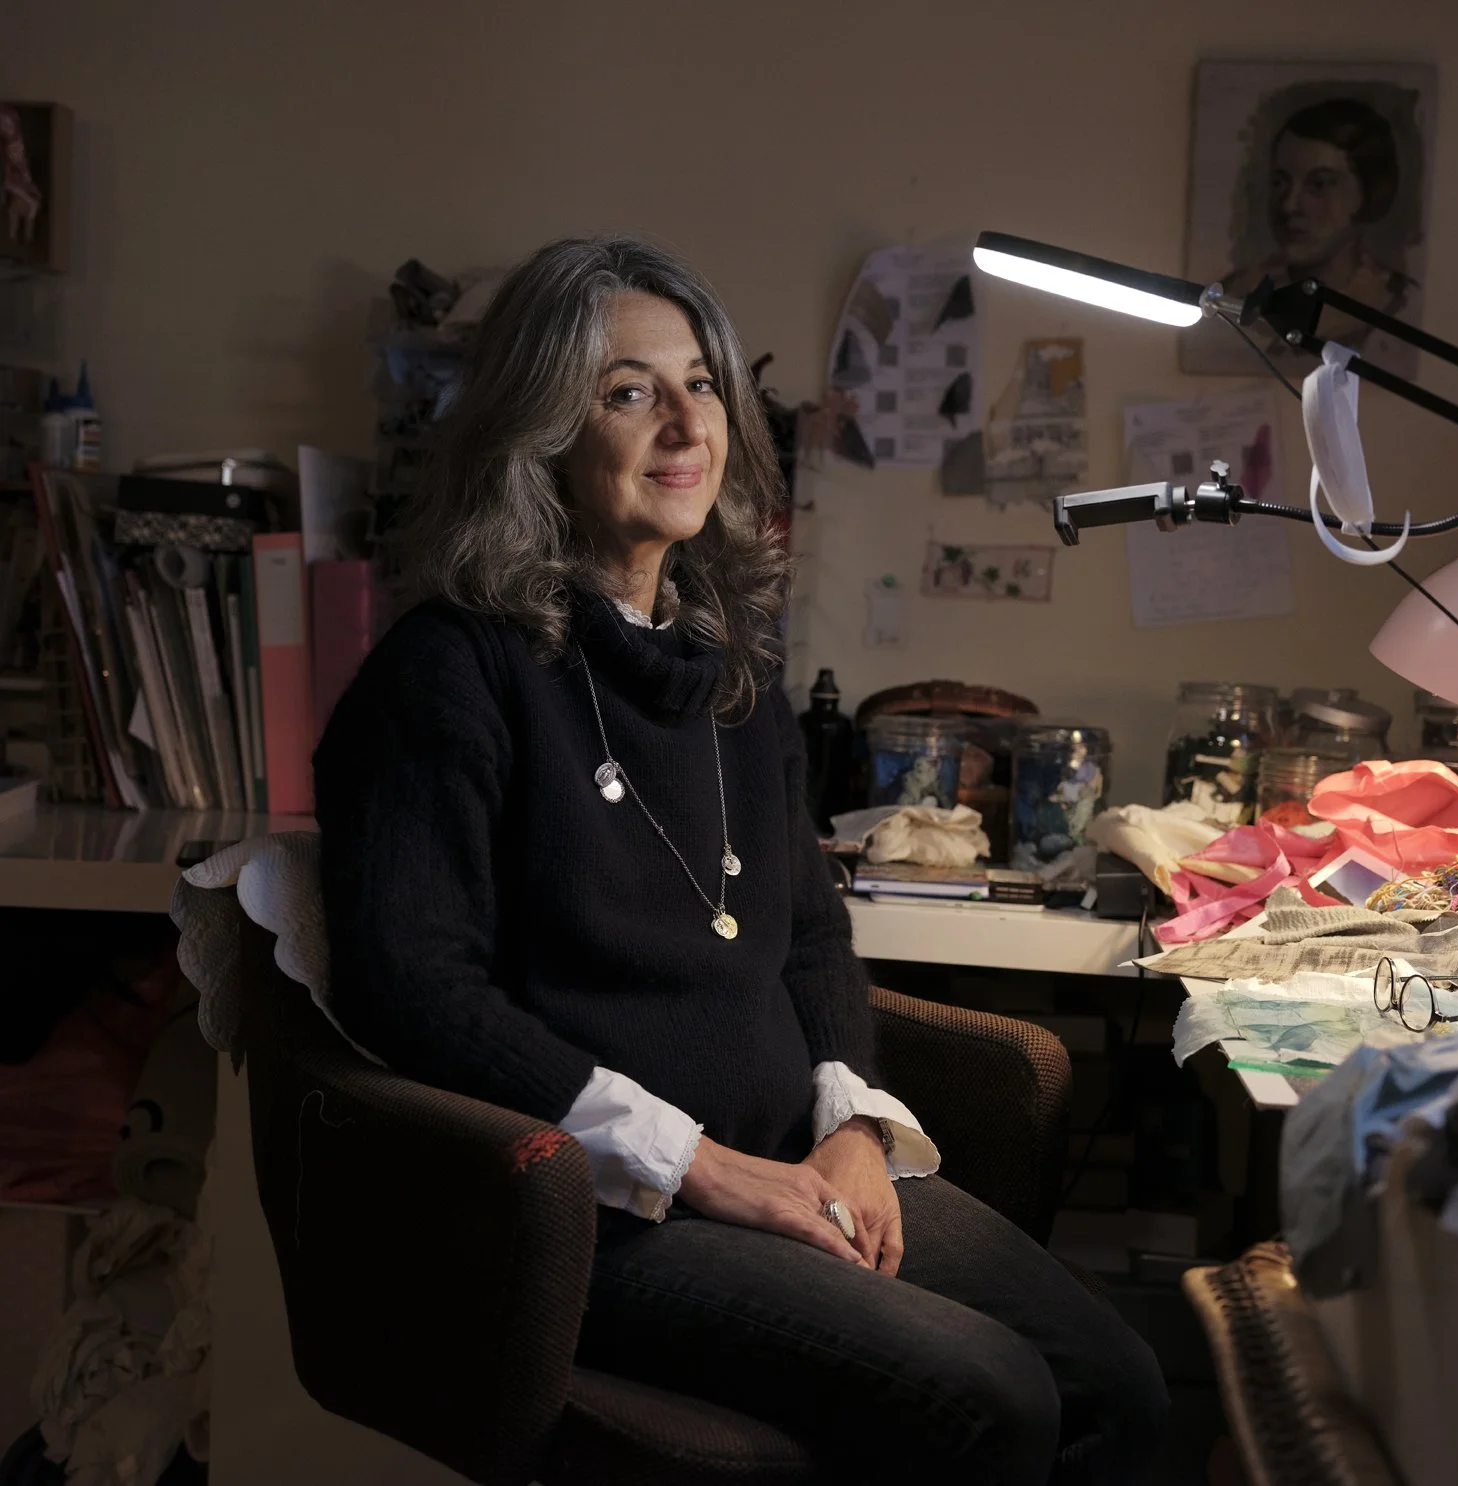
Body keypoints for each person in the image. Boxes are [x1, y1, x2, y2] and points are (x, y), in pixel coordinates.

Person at [314, 235, 1167, 1484]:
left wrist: (855, 1133)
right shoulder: (448, 673)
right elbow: (417, 990)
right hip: (602, 1215)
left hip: (792, 1160)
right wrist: (707, 1170)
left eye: (701, 383)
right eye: (626, 390)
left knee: (1122, 1385)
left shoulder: (732, 670)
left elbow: (810, 933)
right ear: (540, 431)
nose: (681, 422)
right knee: (991, 1398)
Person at [1225, 96, 1414, 348]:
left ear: (1370, 193)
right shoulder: (1234, 294)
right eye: (1279, 182)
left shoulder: (1396, 301)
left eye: (1319, 184)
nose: (1289, 205)